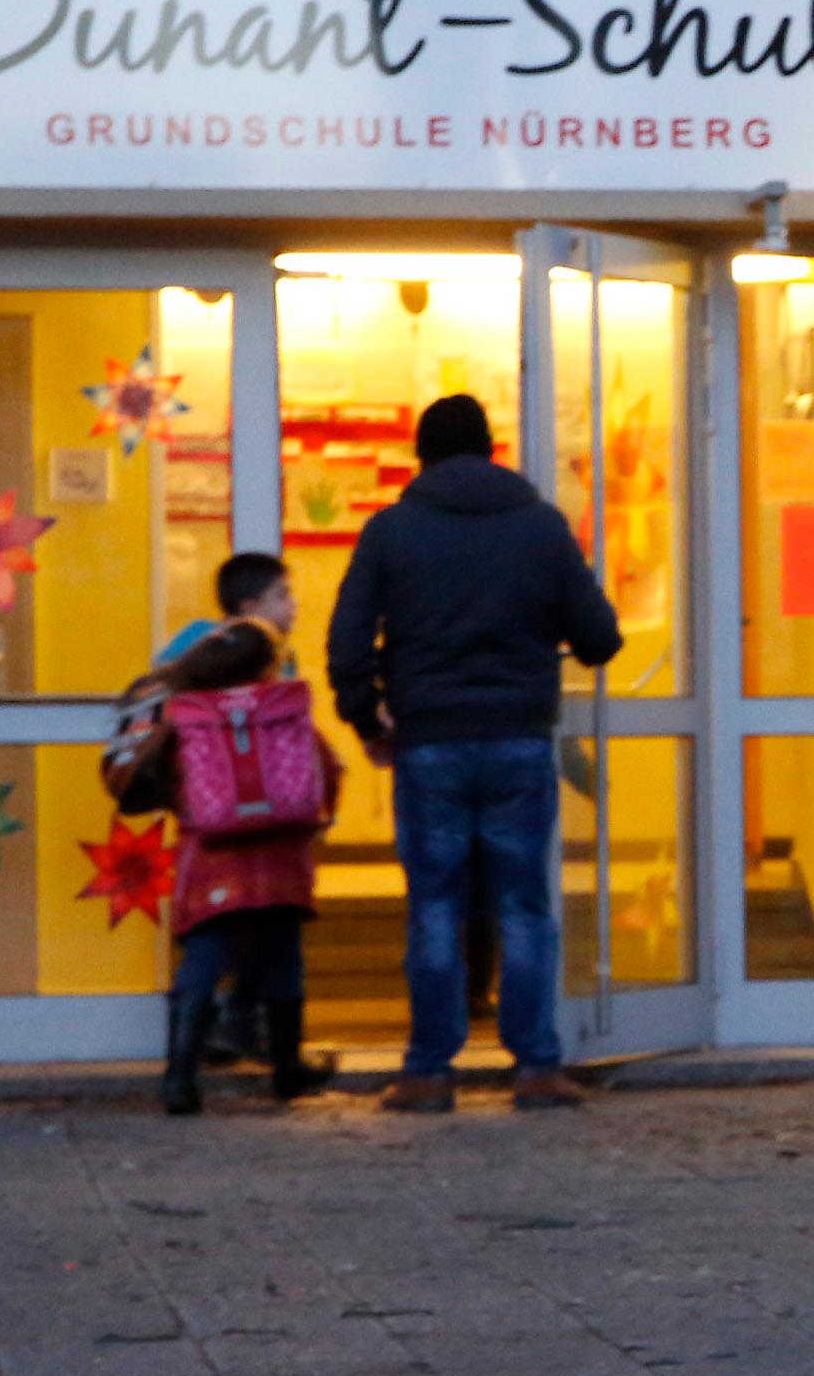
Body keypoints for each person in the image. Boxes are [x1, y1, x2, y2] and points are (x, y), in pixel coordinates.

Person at [326, 395, 621, 1114]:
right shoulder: (541, 527)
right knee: (523, 905)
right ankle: (537, 1068)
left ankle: (428, 1072)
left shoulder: (391, 531)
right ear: (493, 451)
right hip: (519, 739)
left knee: (434, 907)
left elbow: (346, 644)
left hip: (429, 744)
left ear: (420, 458)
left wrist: (368, 717)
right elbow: (600, 637)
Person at [158, 563, 343, 1115]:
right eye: (283, 595)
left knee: (208, 949)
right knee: (283, 949)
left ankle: (179, 1077)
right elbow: (322, 767)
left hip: (212, 846)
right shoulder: (280, 695)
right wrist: (321, 815)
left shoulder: (187, 703)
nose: (294, 604)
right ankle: (287, 1069)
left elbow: (165, 769)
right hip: (278, 846)